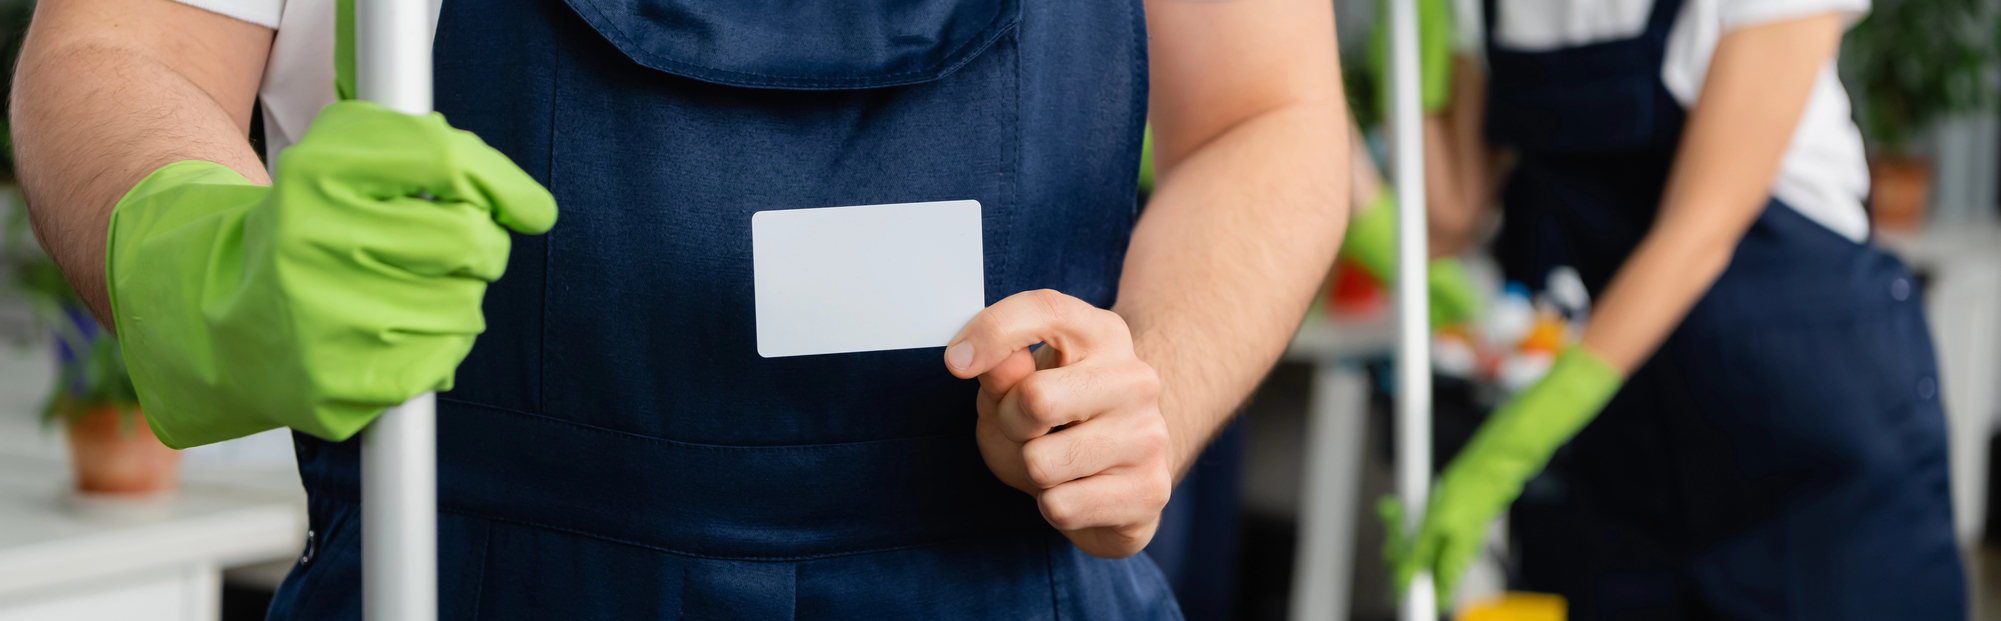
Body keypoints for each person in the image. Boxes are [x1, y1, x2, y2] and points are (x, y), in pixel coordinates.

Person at [12, 0, 1349, 617]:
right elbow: (121, 49)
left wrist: (1140, 394)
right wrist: (206, 266)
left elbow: (1263, 111)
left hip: (1009, 577)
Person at [1390, 0, 1965, 619]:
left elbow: (1701, 229)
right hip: (1629, 429)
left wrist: (1515, 443)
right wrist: (1410, 44)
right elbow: (1448, 213)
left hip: (1812, 422)